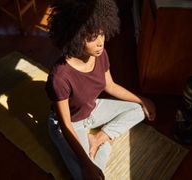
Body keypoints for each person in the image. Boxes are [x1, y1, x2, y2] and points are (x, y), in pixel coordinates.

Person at [45, 0, 156, 179]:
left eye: (102, 34)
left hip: (92, 109)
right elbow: (65, 126)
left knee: (138, 110)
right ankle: (96, 149)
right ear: (75, 36)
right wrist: (88, 164)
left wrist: (142, 100)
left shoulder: (100, 54)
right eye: (92, 38)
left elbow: (110, 86)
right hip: (69, 124)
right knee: (87, 175)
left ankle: (99, 139)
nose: (100, 43)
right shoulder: (60, 76)